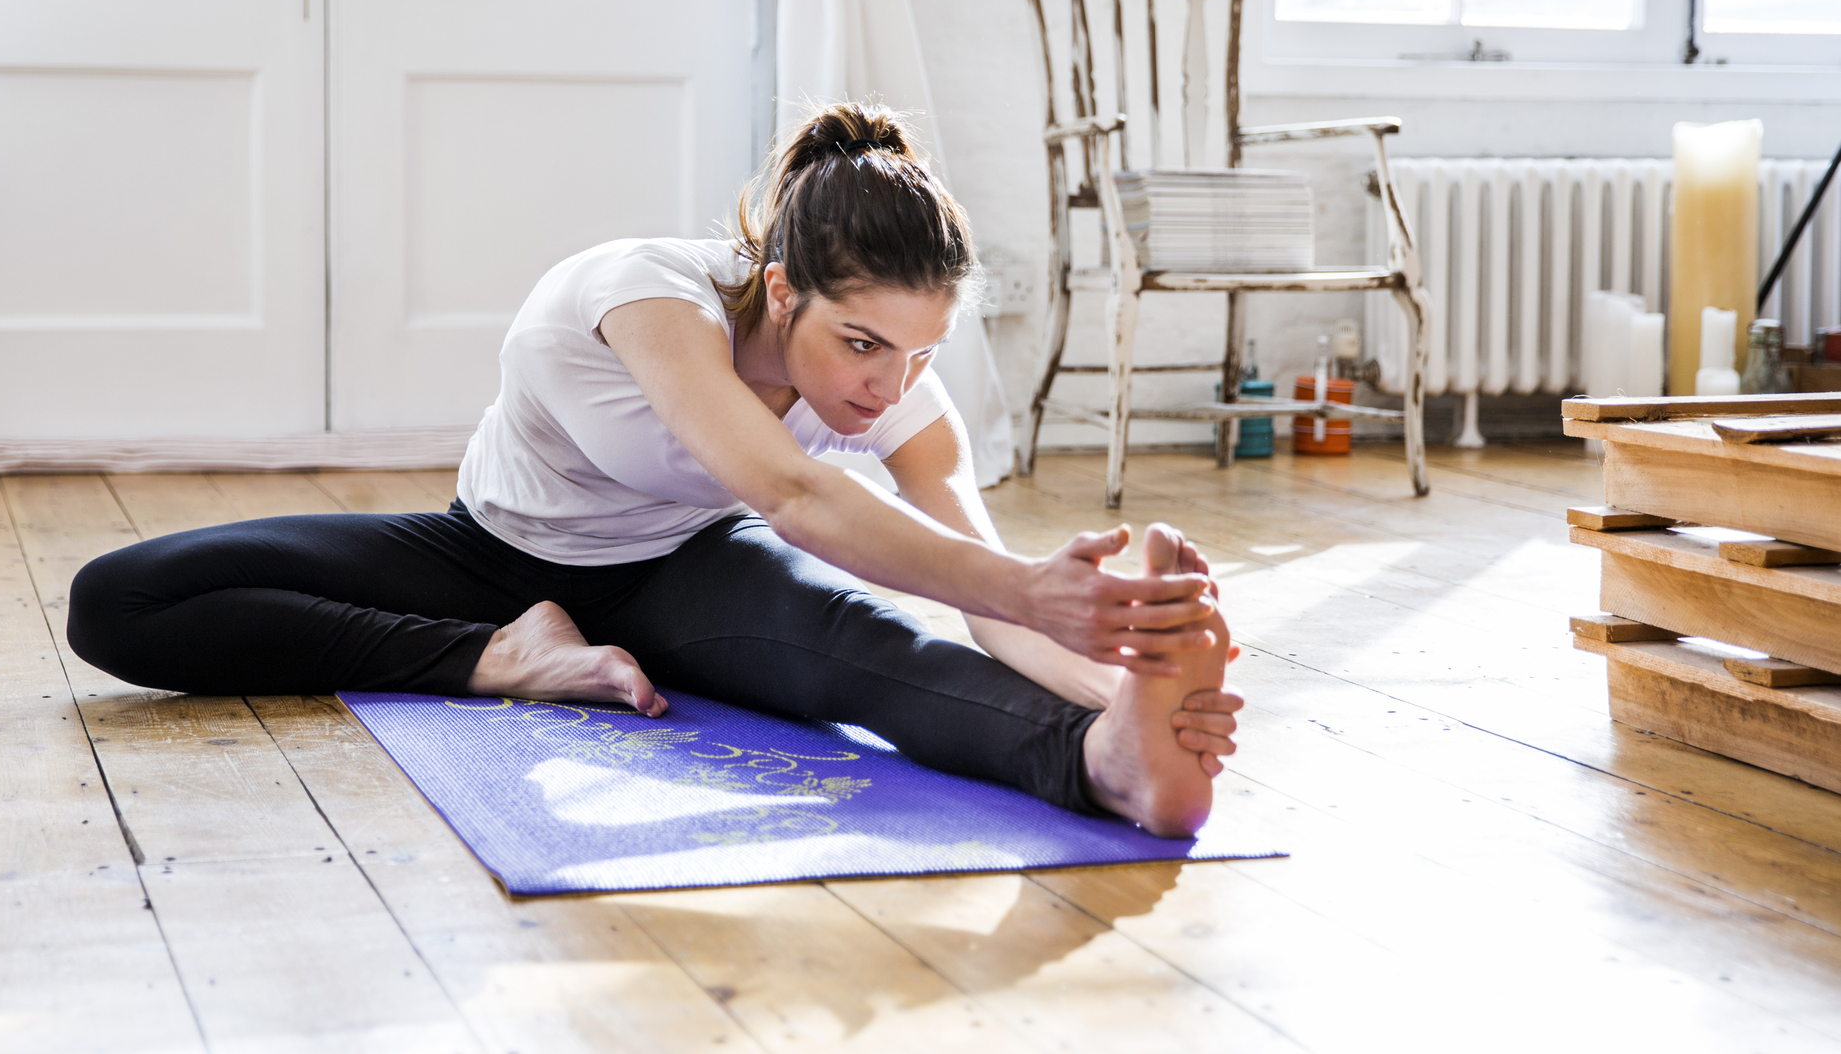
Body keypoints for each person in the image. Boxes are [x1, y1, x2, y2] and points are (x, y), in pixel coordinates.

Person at [68, 104, 1241, 836]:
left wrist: (1119, 690)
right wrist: (1032, 586)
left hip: (678, 572)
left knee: (865, 655)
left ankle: (1104, 771)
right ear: (782, 288)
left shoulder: (898, 388)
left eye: (921, 353)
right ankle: (499, 658)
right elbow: (790, 491)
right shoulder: (647, 295)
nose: (888, 386)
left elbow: (977, 590)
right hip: (488, 556)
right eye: (864, 345)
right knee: (119, 600)